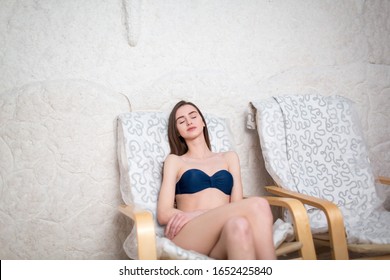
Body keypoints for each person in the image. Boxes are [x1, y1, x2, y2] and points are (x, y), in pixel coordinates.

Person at [157, 100, 276, 260]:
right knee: (259, 204)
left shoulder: (229, 157)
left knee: (239, 225)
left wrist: (197, 213)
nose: (189, 121)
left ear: (203, 122)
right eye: (181, 121)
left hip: (222, 237)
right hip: (191, 233)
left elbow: (236, 205)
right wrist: (195, 216)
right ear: (177, 131)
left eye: (193, 116)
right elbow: (164, 214)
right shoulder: (175, 161)